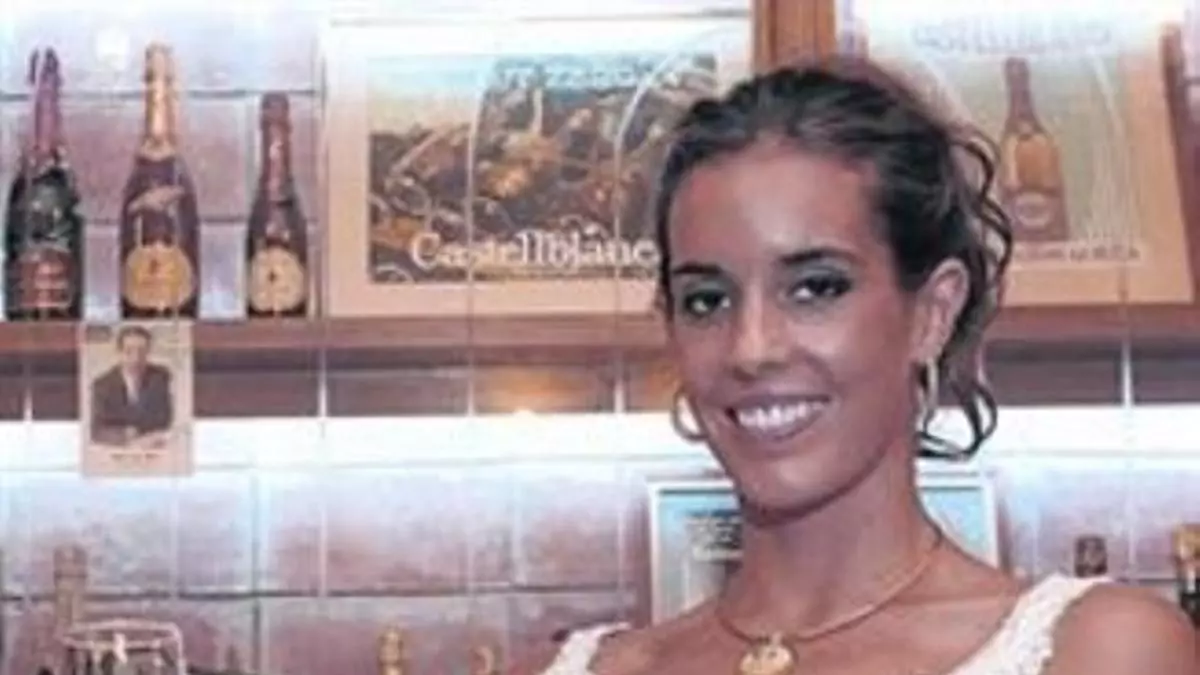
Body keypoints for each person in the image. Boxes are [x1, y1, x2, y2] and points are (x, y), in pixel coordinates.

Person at [517, 57, 1196, 675]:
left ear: (932, 312)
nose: (752, 347)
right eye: (707, 299)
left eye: (815, 287)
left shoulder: (1102, 650)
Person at [89, 324, 174, 448]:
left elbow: (165, 420)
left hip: (153, 447)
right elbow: (97, 432)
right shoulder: (102, 385)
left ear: (148, 352)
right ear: (119, 352)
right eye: (129, 352)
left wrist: (151, 438)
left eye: (142, 352)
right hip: (118, 450)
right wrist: (125, 435)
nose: (136, 358)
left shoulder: (160, 377)